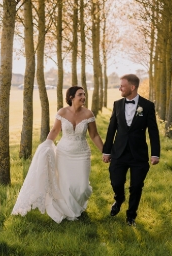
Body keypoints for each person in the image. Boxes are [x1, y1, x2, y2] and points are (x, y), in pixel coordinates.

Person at [12, 86, 104, 223]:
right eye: (80, 94)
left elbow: (94, 135)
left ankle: (77, 206)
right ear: (71, 97)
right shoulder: (62, 112)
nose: (83, 97)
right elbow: (55, 130)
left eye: (84, 94)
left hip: (82, 154)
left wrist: (105, 152)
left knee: (82, 186)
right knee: (66, 184)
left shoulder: (88, 114)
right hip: (64, 153)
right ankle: (69, 211)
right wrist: (47, 144)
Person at [102, 74, 160, 227]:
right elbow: (111, 129)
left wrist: (155, 154)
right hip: (119, 152)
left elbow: (153, 131)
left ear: (132, 87)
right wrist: (106, 151)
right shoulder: (117, 104)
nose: (119, 88)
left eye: (122, 86)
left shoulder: (147, 106)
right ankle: (119, 198)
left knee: (136, 186)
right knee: (116, 181)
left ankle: (131, 217)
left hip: (138, 154)